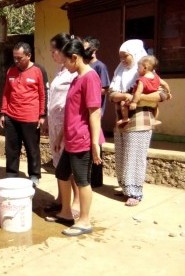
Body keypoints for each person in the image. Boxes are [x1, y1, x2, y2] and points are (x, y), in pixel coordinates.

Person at [47, 37, 104, 237]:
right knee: (61, 174)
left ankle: (84, 220)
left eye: (65, 61)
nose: (63, 65)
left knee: (82, 181)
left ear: (75, 57)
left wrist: (95, 142)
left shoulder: (90, 78)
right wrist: (60, 135)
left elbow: (94, 112)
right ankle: (66, 212)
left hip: (82, 139)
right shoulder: (76, 78)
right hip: (70, 137)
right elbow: (70, 112)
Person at [109, 40, 171, 206]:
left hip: (140, 120)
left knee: (135, 157)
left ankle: (135, 193)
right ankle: (125, 189)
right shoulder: (120, 71)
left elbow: (163, 95)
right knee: (122, 156)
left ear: (136, 55)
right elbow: (112, 93)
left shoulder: (147, 73)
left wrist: (139, 97)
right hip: (122, 120)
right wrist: (124, 96)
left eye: (126, 56)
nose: (123, 60)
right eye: (120, 57)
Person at [0, 42, 46, 186]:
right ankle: (12, 174)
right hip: (11, 117)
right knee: (11, 148)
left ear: (29, 55)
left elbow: (42, 94)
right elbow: (6, 93)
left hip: (30, 118)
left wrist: (42, 115)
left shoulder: (38, 71)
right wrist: (3, 112)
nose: (16, 61)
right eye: (15, 58)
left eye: (19, 58)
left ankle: (34, 175)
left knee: (32, 148)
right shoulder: (11, 71)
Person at [43, 33, 80, 216]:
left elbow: (70, 105)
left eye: (54, 51)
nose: (52, 54)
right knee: (58, 164)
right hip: (55, 124)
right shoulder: (60, 70)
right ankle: (61, 198)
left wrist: (62, 132)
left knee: (68, 165)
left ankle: (76, 202)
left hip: (66, 126)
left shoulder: (72, 73)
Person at [83, 36, 111, 188]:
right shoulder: (85, 66)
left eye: (86, 48)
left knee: (96, 143)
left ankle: (96, 180)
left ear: (94, 50)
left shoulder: (100, 66)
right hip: (85, 112)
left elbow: (105, 89)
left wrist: (88, 93)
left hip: (95, 111)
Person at [116, 55, 171, 127]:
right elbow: (165, 84)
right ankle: (155, 119)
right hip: (153, 102)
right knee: (156, 107)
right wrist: (169, 92)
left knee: (123, 102)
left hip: (140, 101)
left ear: (145, 68)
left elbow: (138, 92)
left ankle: (125, 118)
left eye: (138, 68)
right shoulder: (156, 77)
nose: (137, 70)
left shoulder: (142, 80)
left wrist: (134, 102)